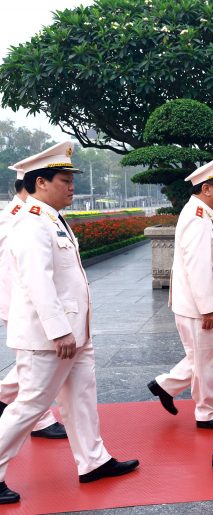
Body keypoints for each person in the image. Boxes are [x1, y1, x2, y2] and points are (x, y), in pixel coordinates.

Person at [0, 142, 138, 504]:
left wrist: (73, 330)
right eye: (65, 180)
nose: (72, 186)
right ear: (41, 183)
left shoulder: (50, 218)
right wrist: (59, 330)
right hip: (48, 337)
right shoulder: (30, 223)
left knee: (81, 398)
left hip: (75, 333)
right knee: (30, 405)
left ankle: (93, 461)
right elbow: (38, 282)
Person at [147, 155, 213, 429]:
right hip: (199, 307)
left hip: (205, 303)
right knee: (206, 360)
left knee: (212, 352)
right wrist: (207, 309)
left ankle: (166, 385)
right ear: (206, 188)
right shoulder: (197, 218)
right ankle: (207, 413)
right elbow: (198, 267)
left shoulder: (203, 214)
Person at [0, 173, 66, 439]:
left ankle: (5, 396)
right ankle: (40, 421)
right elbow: (13, 270)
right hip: (18, 302)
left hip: (25, 301)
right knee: (34, 366)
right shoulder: (16, 217)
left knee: (35, 365)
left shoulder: (29, 214)